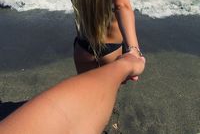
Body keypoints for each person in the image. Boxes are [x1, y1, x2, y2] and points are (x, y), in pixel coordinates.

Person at [0, 52, 145, 134]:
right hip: (112, 47)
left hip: (82, 45)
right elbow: (122, 5)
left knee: (89, 96)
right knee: (104, 91)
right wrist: (126, 64)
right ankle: (110, 115)